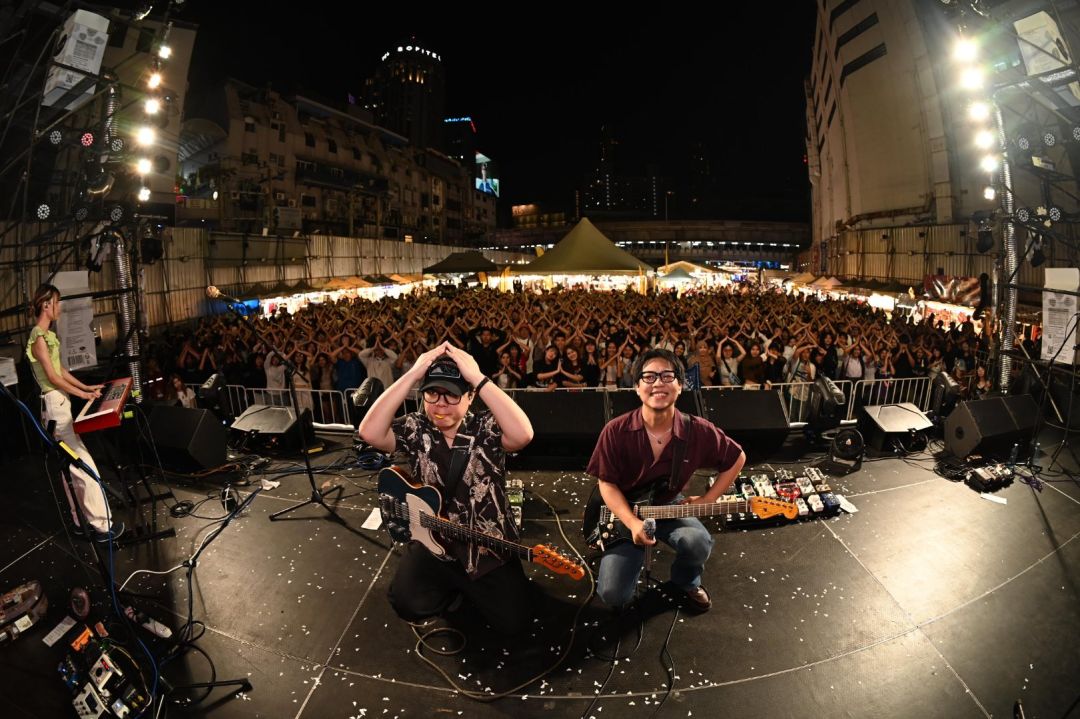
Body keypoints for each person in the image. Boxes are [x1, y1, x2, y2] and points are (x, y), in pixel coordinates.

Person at [358, 342, 536, 634]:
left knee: (513, 622)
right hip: (433, 544)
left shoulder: (486, 427)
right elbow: (369, 432)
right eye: (432, 393)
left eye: (452, 395)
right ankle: (454, 589)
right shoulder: (416, 428)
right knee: (406, 602)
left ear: (470, 396)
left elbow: (523, 434)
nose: (440, 404)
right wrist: (413, 374)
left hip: (485, 548)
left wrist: (477, 377)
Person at [586, 348, 745, 612]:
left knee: (697, 542)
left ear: (680, 386)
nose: (658, 382)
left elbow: (737, 457)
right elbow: (607, 484)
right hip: (624, 509)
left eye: (667, 376)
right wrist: (632, 523)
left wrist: (709, 499)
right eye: (649, 377)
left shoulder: (697, 430)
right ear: (637, 388)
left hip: (668, 503)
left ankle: (686, 581)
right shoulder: (615, 430)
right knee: (613, 595)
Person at [26, 284, 123, 541]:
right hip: (55, 406)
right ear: (46, 305)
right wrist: (82, 395)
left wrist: (86, 387)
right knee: (84, 465)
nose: (59, 307)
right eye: (57, 302)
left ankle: (80, 521)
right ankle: (102, 527)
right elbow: (52, 377)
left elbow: (62, 371)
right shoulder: (38, 338)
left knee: (69, 468)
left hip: (59, 404)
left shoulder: (47, 336)